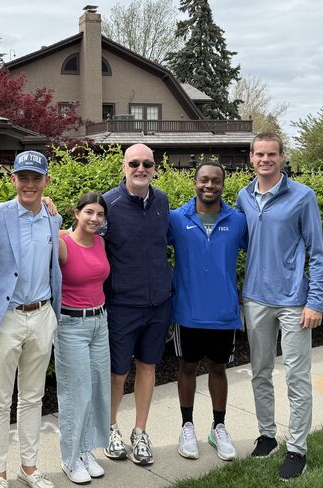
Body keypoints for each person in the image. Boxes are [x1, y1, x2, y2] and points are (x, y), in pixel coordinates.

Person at [235, 132, 323, 481]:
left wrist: (314, 300)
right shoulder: (243, 196)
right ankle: (266, 435)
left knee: (296, 376)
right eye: (259, 154)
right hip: (255, 298)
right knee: (259, 371)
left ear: (282, 157)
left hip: (293, 302)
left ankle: (297, 449)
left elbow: (316, 253)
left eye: (271, 154)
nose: (265, 160)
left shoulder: (303, 196)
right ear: (251, 158)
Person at [0, 150, 62, 488]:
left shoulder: (53, 218)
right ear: (12, 179)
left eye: (36, 178)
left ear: (46, 181)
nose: (29, 184)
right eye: (23, 177)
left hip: (42, 316)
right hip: (5, 318)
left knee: (33, 397)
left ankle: (29, 468)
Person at [168, 162, 247, 463]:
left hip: (223, 311)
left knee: (218, 368)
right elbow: (146, 243)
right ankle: (186, 426)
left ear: (223, 185)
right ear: (195, 182)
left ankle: (218, 427)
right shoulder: (176, 218)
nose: (209, 185)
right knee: (187, 367)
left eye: (216, 181)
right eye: (204, 180)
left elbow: (262, 249)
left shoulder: (237, 220)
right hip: (188, 310)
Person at [101, 143, 172, 467]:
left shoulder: (162, 201)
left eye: (146, 163)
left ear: (155, 168)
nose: (140, 168)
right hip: (122, 305)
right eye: (134, 163)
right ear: (123, 167)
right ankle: (110, 428)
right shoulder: (108, 203)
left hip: (158, 303)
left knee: (148, 367)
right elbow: (81, 237)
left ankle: (140, 432)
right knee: (118, 373)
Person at [55, 192, 111, 484]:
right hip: (71, 325)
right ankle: (70, 458)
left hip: (99, 323)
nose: (94, 218)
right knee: (76, 394)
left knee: (96, 389)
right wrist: (52, 215)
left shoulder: (100, 242)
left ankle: (86, 450)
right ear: (77, 213)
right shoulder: (63, 244)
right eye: (89, 212)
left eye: (100, 214)